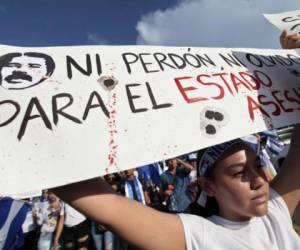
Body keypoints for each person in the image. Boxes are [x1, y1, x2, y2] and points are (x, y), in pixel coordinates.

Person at [52, 31, 300, 250]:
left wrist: (292, 63)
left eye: (257, 165)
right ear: (208, 186)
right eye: (238, 173)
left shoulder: (275, 211)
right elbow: (112, 210)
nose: (259, 180)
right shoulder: (199, 235)